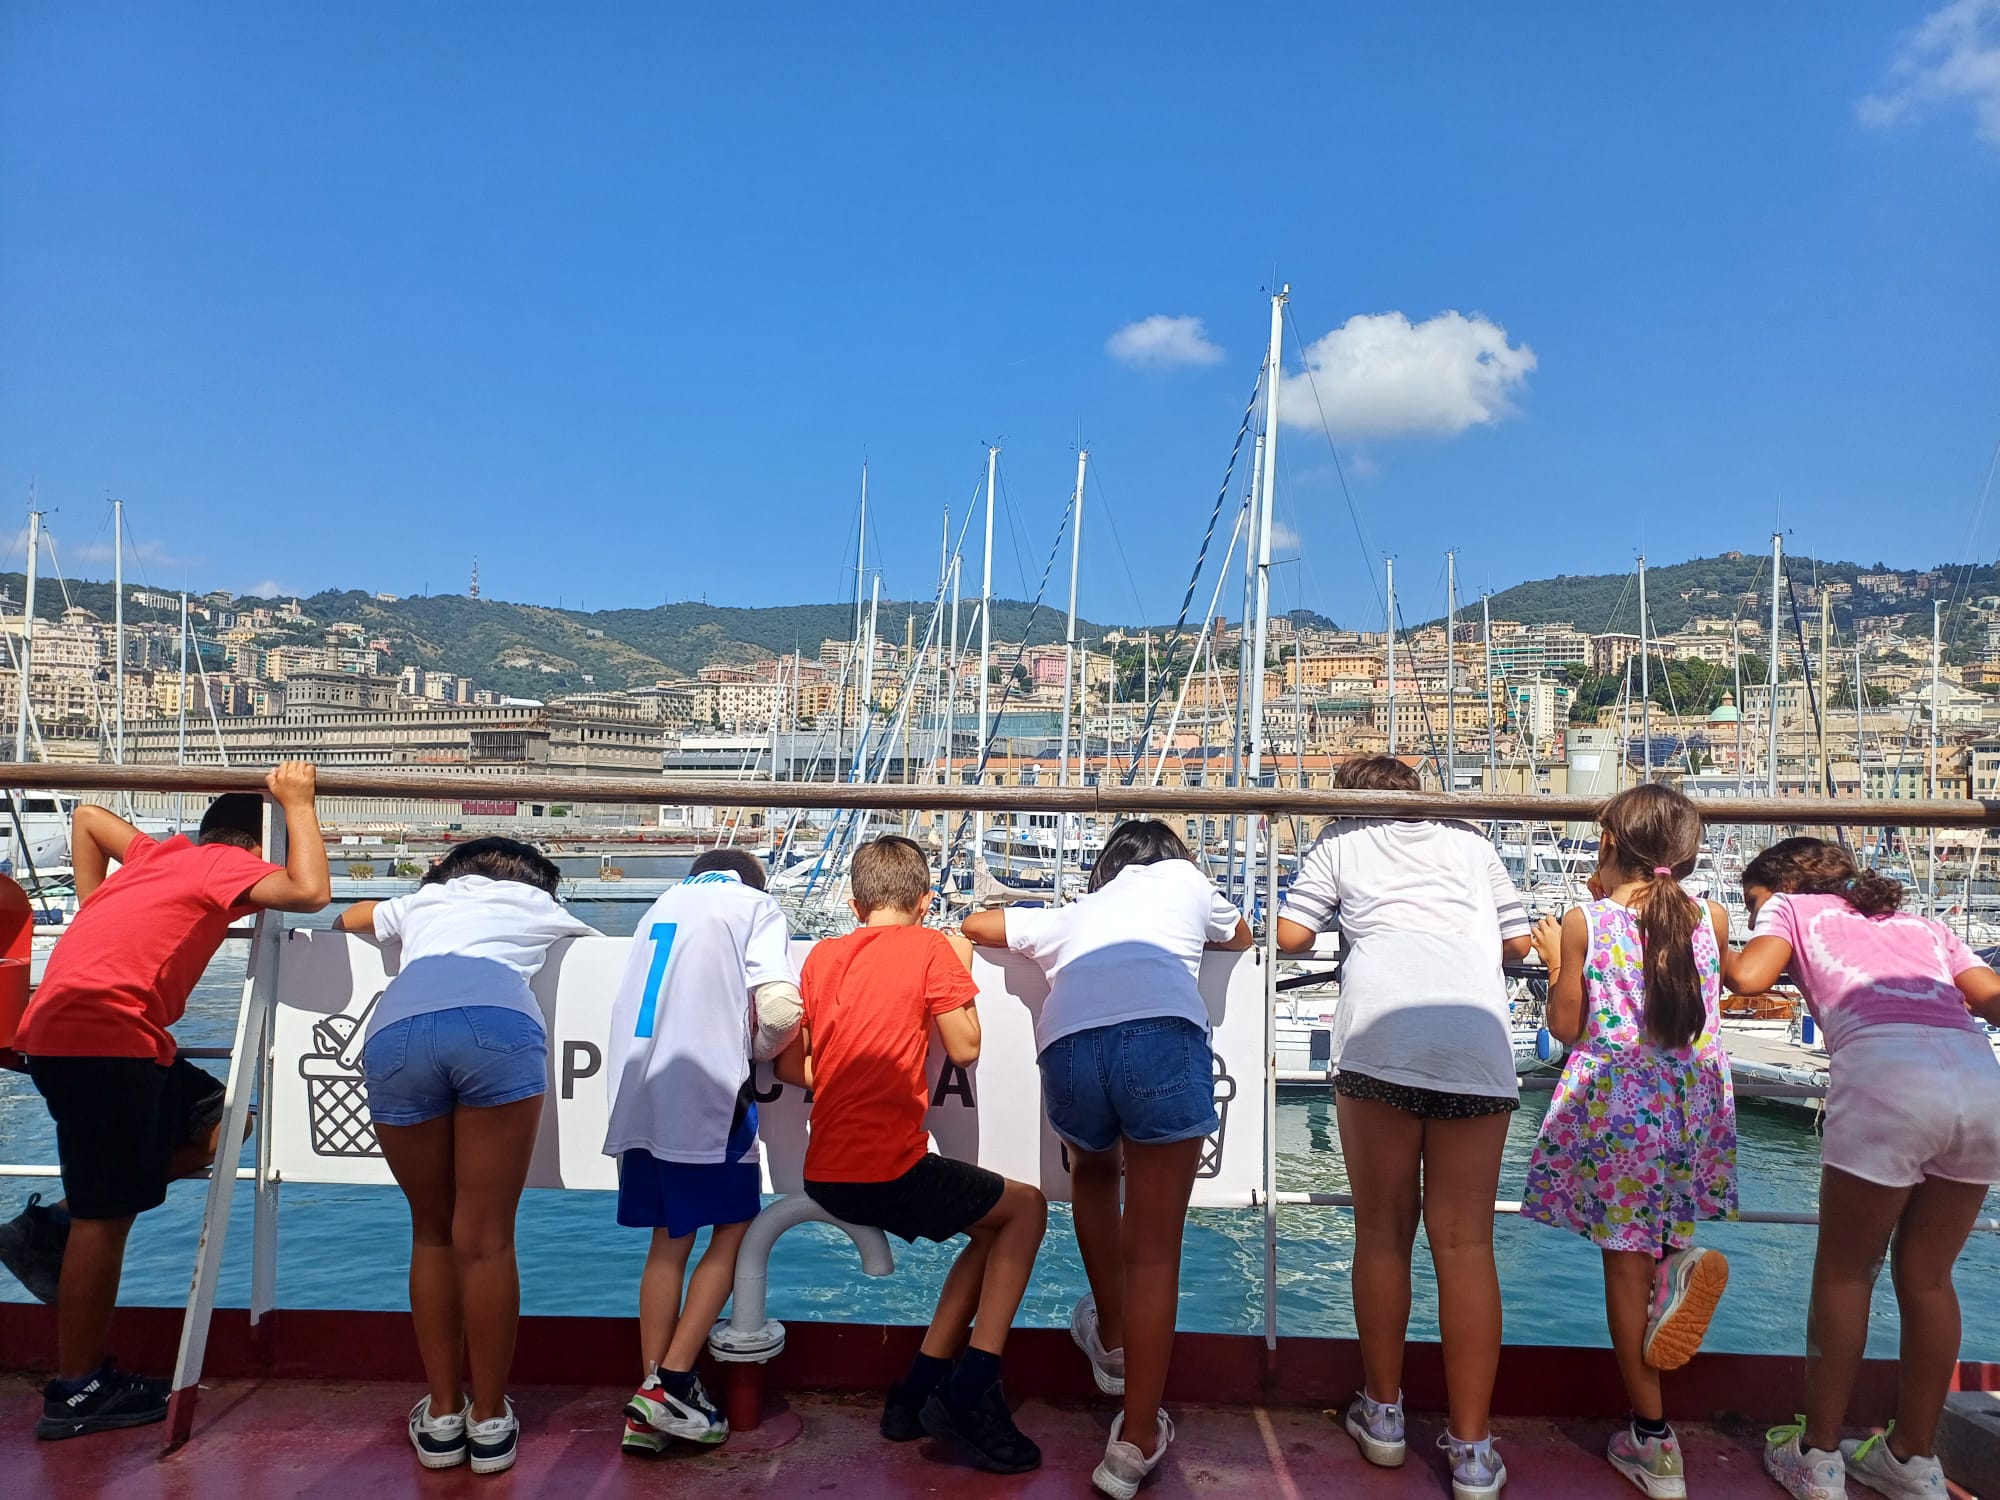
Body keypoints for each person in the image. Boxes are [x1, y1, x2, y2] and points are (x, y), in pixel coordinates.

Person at [9, 765, 329, 1440]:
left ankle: (54, 1224)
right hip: (103, 1041)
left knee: (226, 1121)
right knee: (108, 1218)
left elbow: (90, 817)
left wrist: (99, 910)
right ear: (256, 846)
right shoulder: (219, 866)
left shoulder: (159, 856)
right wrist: (298, 802)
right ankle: (77, 1391)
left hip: (89, 1034)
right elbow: (308, 891)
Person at [964, 819, 1251, 1500]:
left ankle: (1114, 1340)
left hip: (1068, 1045)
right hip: (1161, 1036)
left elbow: (978, 924)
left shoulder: (1073, 913)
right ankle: (1135, 1442)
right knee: (1155, 1253)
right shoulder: (1185, 880)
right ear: (1171, 859)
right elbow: (1237, 934)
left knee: (1092, 1172)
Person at [1273, 756, 1533, 1500]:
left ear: (1352, 800)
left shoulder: (1340, 841)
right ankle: (1474, 1449)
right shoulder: (1472, 842)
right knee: (1466, 1244)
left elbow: (1292, 936)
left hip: (1379, 1039)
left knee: (1383, 1233)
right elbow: (1518, 948)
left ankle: (1383, 1415)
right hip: (1475, 1045)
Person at [1727, 838, 2000, 1500]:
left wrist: (1716, 941)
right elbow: (1991, 998)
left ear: (1778, 888)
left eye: (1751, 904)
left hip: (1885, 1083)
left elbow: (1750, 978)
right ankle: (1911, 1459)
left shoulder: (1789, 908)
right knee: (1930, 1278)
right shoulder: (1924, 926)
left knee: (1847, 1274)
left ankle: (1817, 1456)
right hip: (1976, 1082)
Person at [776, 835, 1048, 1474]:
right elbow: (965, 1047)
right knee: (1028, 1210)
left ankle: (916, 1391)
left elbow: (796, 1063)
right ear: (926, 902)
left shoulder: (821, 958)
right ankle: (973, 1387)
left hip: (826, 1169)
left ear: (852, 904)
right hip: (888, 1167)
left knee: (989, 1234)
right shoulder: (931, 947)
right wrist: (960, 968)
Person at [336, 837, 597, 1476]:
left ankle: (444, 1414)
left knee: (430, 1233)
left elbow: (347, 919)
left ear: (449, 874)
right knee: (485, 1240)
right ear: (539, 884)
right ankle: (489, 1420)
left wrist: (414, 904)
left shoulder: (424, 900)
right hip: (496, 1026)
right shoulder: (538, 905)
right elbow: (603, 949)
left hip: (397, 1031)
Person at [1523, 782, 1737, 1499]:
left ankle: (1653, 1442)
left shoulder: (1588, 922)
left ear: (1608, 843)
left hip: (1621, 1107)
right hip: (1693, 1102)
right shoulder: (1711, 914)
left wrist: (1558, 956)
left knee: (1622, 1268)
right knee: (1659, 1240)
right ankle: (1678, 1263)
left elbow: (1566, 1027)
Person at [602, 847, 802, 1459]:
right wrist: (766, 1049)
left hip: (638, 1090)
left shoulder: (661, 904)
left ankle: (649, 1397)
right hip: (707, 1092)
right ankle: (676, 1382)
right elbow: (779, 1007)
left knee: (667, 1242)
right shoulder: (754, 902)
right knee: (734, 1227)